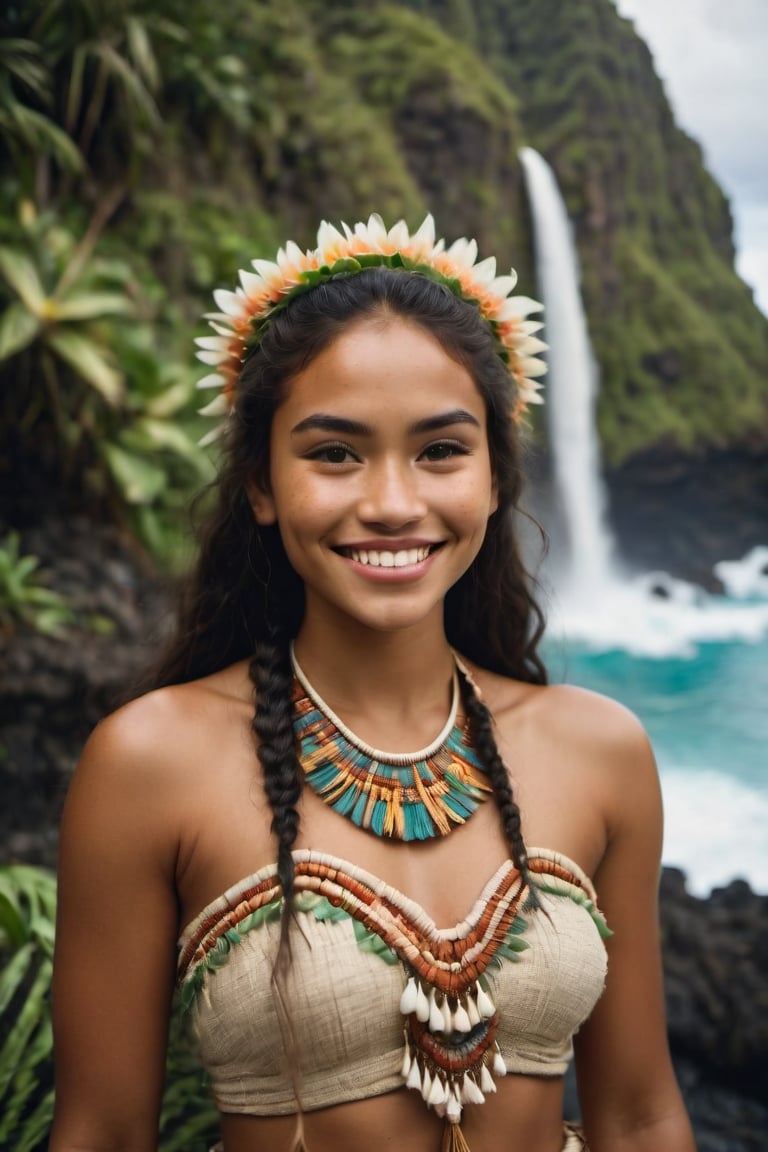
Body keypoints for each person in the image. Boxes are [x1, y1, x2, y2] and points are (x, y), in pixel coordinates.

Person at [50, 214, 696, 1152]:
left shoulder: (602, 753)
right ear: (262, 486)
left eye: (440, 451)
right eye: (334, 453)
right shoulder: (150, 764)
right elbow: (102, 1134)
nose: (393, 504)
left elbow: (639, 1119)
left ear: (494, 481)